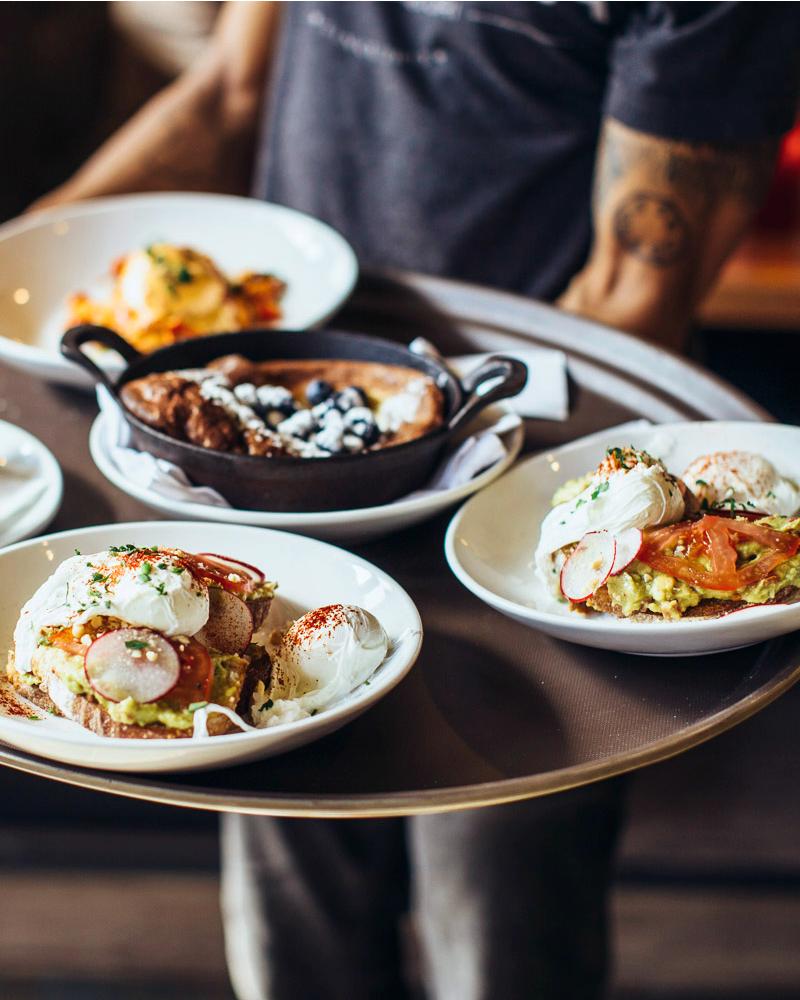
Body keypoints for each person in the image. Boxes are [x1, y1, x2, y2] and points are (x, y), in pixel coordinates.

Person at [35, 4, 800, 998]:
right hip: (284, 470)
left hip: (528, 491)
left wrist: (425, 448)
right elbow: (230, 92)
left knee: (494, 940)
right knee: (288, 912)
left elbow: (630, 287)